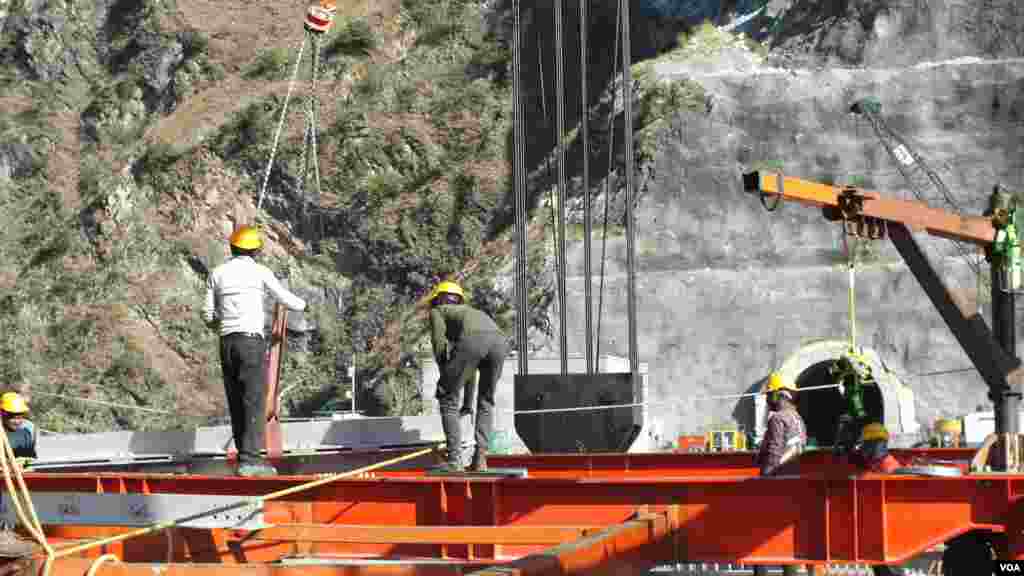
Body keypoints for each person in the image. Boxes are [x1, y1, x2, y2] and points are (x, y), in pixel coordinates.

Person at [203, 225, 307, 477]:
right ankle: (251, 461)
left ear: (232, 247)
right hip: (250, 343)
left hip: (226, 343)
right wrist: (304, 305)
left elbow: (206, 314)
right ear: (256, 250)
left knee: (236, 400)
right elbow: (286, 298)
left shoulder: (217, 273)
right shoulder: (260, 272)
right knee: (254, 399)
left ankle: (244, 457)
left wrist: (222, 324)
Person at [428, 281, 508, 473]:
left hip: (475, 341)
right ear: (460, 299)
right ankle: (480, 459)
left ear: (438, 299)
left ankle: (455, 460)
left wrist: (445, 374)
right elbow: (469, 367)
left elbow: (438, 342)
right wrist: (467, 404)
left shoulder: (438, 311)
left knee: (446, 398)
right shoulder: (469, 314)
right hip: (500, 341)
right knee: (486, 401)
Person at [753, 373, 807, 576]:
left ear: (780, 395)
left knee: (759, 535)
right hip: (794, 484)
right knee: (785, 536)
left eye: (770, 395)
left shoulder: (777, 419)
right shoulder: (798, 419)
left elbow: (775, 451)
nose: (768, 399)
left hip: (776, 484)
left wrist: (765, 480)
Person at [0, 392, 35, 461]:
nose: (17, 422)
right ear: (2, 414)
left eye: (20, 418)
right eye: (13, 418)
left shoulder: (25, 434)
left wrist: (24, 463)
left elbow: (30, 460)